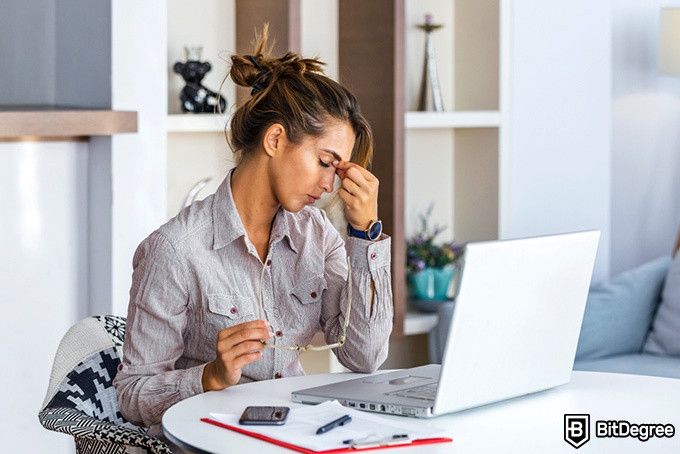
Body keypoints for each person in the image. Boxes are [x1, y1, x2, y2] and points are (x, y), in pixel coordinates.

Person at [113, 27, 393, 432]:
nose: (330, 185)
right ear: (276, 139)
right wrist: (209, 376)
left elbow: (364, 357)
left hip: (297, 433)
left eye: (338, 169)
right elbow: (131, 395)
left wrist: (366, 234)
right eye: (324, 162)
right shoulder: (175, 249)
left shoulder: (316, 234)